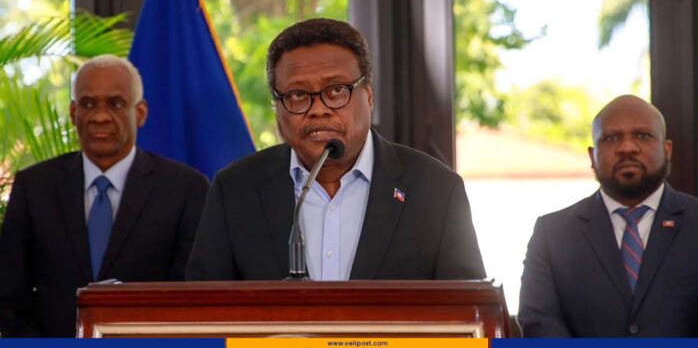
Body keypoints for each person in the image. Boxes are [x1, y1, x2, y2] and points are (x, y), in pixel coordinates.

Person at [187, 18, 485, 281]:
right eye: (298, 95)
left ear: (368, 96)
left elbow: (466, 309)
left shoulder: (435, 189)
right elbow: (203, 312)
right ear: (278, 108)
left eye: (336, 90)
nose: (318, 109)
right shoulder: (235, 190)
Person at [0, 55, 209, 337]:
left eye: (115, 104)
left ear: (140, 113)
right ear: (73, 112)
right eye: (88, 104)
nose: (100, 116)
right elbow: (9, 299)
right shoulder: (34, 187)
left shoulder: (186, 189)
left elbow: (190, 297)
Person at [518, 95, 698, 337]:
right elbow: (538, 321)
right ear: (592, 156)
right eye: (611, 138)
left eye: (643, 135)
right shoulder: (552, 234)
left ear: (667, 150)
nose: (627, 148)